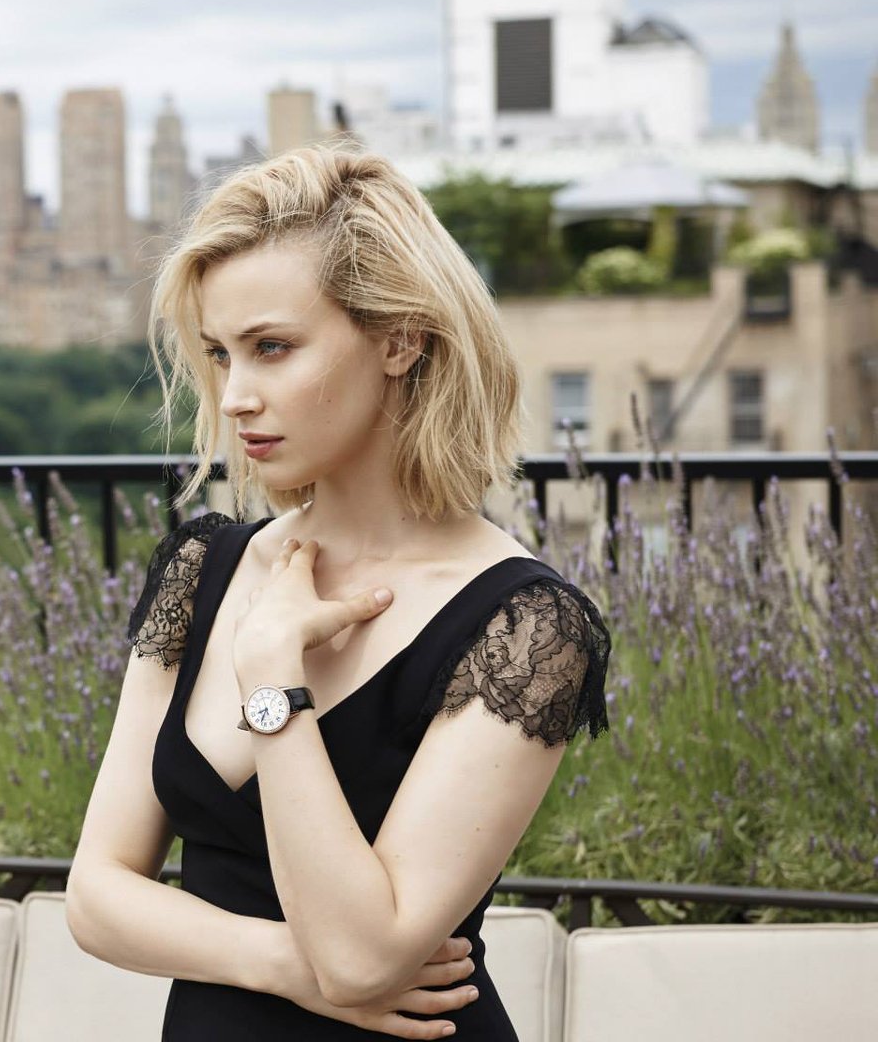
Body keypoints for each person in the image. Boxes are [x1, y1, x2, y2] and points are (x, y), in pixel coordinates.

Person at [65, 143, 612, 1040]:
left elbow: (365, 957)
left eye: (272, 348)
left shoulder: (523, 627)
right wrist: (288, 967)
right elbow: (95, 896)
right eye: (220, 354)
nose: (236, 396)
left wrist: (275, 680)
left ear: (401, 338)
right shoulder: (204, 570)